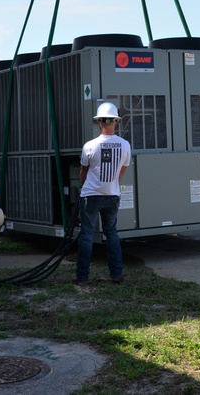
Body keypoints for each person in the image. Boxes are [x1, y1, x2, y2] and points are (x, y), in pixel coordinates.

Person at [75, 101, 131, 285]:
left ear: (99, 122)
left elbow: (84, 171)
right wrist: (112, 185)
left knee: (87, 235)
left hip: (90, 196)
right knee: (112, 233)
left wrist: (84, 188)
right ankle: (116, 274)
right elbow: (122, 171)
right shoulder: (125, 145)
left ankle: (82, 276)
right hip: (112, 195)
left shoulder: (90, 145)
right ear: (116, 121)